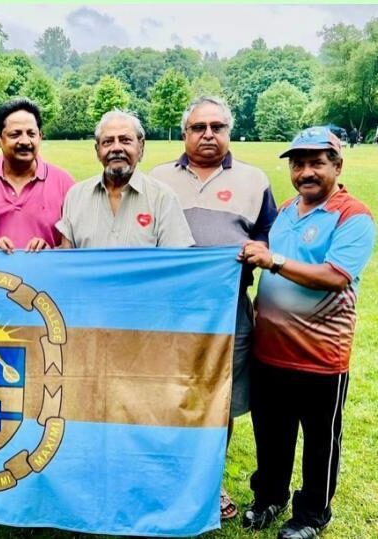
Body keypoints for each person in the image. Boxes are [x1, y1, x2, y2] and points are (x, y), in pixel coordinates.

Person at [240, 126, 375, 539]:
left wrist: (272, 260)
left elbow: (335, 277)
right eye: (298, 164)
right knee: (271, 435)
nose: (305, 172)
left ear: (337, 165)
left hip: (320, 357)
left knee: (320, 443)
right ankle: (270, 498)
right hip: (269, 352)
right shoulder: (284, 210)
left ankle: (313, 515)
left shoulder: (354, 215)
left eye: (316, 162)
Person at [150, 96, 278, 520]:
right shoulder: (157, 178)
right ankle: (167, 477)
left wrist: (258, 251)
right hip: (169, 314)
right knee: (167, 394)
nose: (208, 135)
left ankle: (209, 481)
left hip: (228, 311)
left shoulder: (254, 180)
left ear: (228, 131)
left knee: (218, 399)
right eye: (198, 127)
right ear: (184, 132)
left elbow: (270, 238)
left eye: (217, 127)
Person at [56, 110, 194, 248]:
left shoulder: (163, 198)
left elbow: (176, 263)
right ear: (97, 150)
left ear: (141, 147)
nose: (116, 148)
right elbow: (67, 260)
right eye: (108, 142)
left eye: (125, 140)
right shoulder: (75, 197)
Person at [0, 98, 74, 253]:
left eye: (31, 134)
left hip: (45, 275)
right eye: (15, 134)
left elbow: (75, 245)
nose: (25, 141)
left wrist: (51, 252)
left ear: (40, 136)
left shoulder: (64, 183)